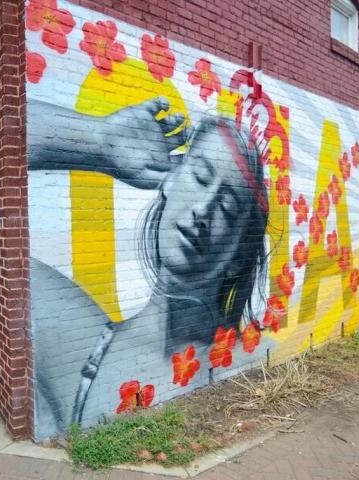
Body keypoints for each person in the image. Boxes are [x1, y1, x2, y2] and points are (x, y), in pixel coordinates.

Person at [28, 96, 270, 437]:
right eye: (200, 177)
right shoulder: (78, 344)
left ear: (238, 254)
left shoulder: (254, 361)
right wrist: (99, 142)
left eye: (227, 208)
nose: (203, 210)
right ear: (170, 180)